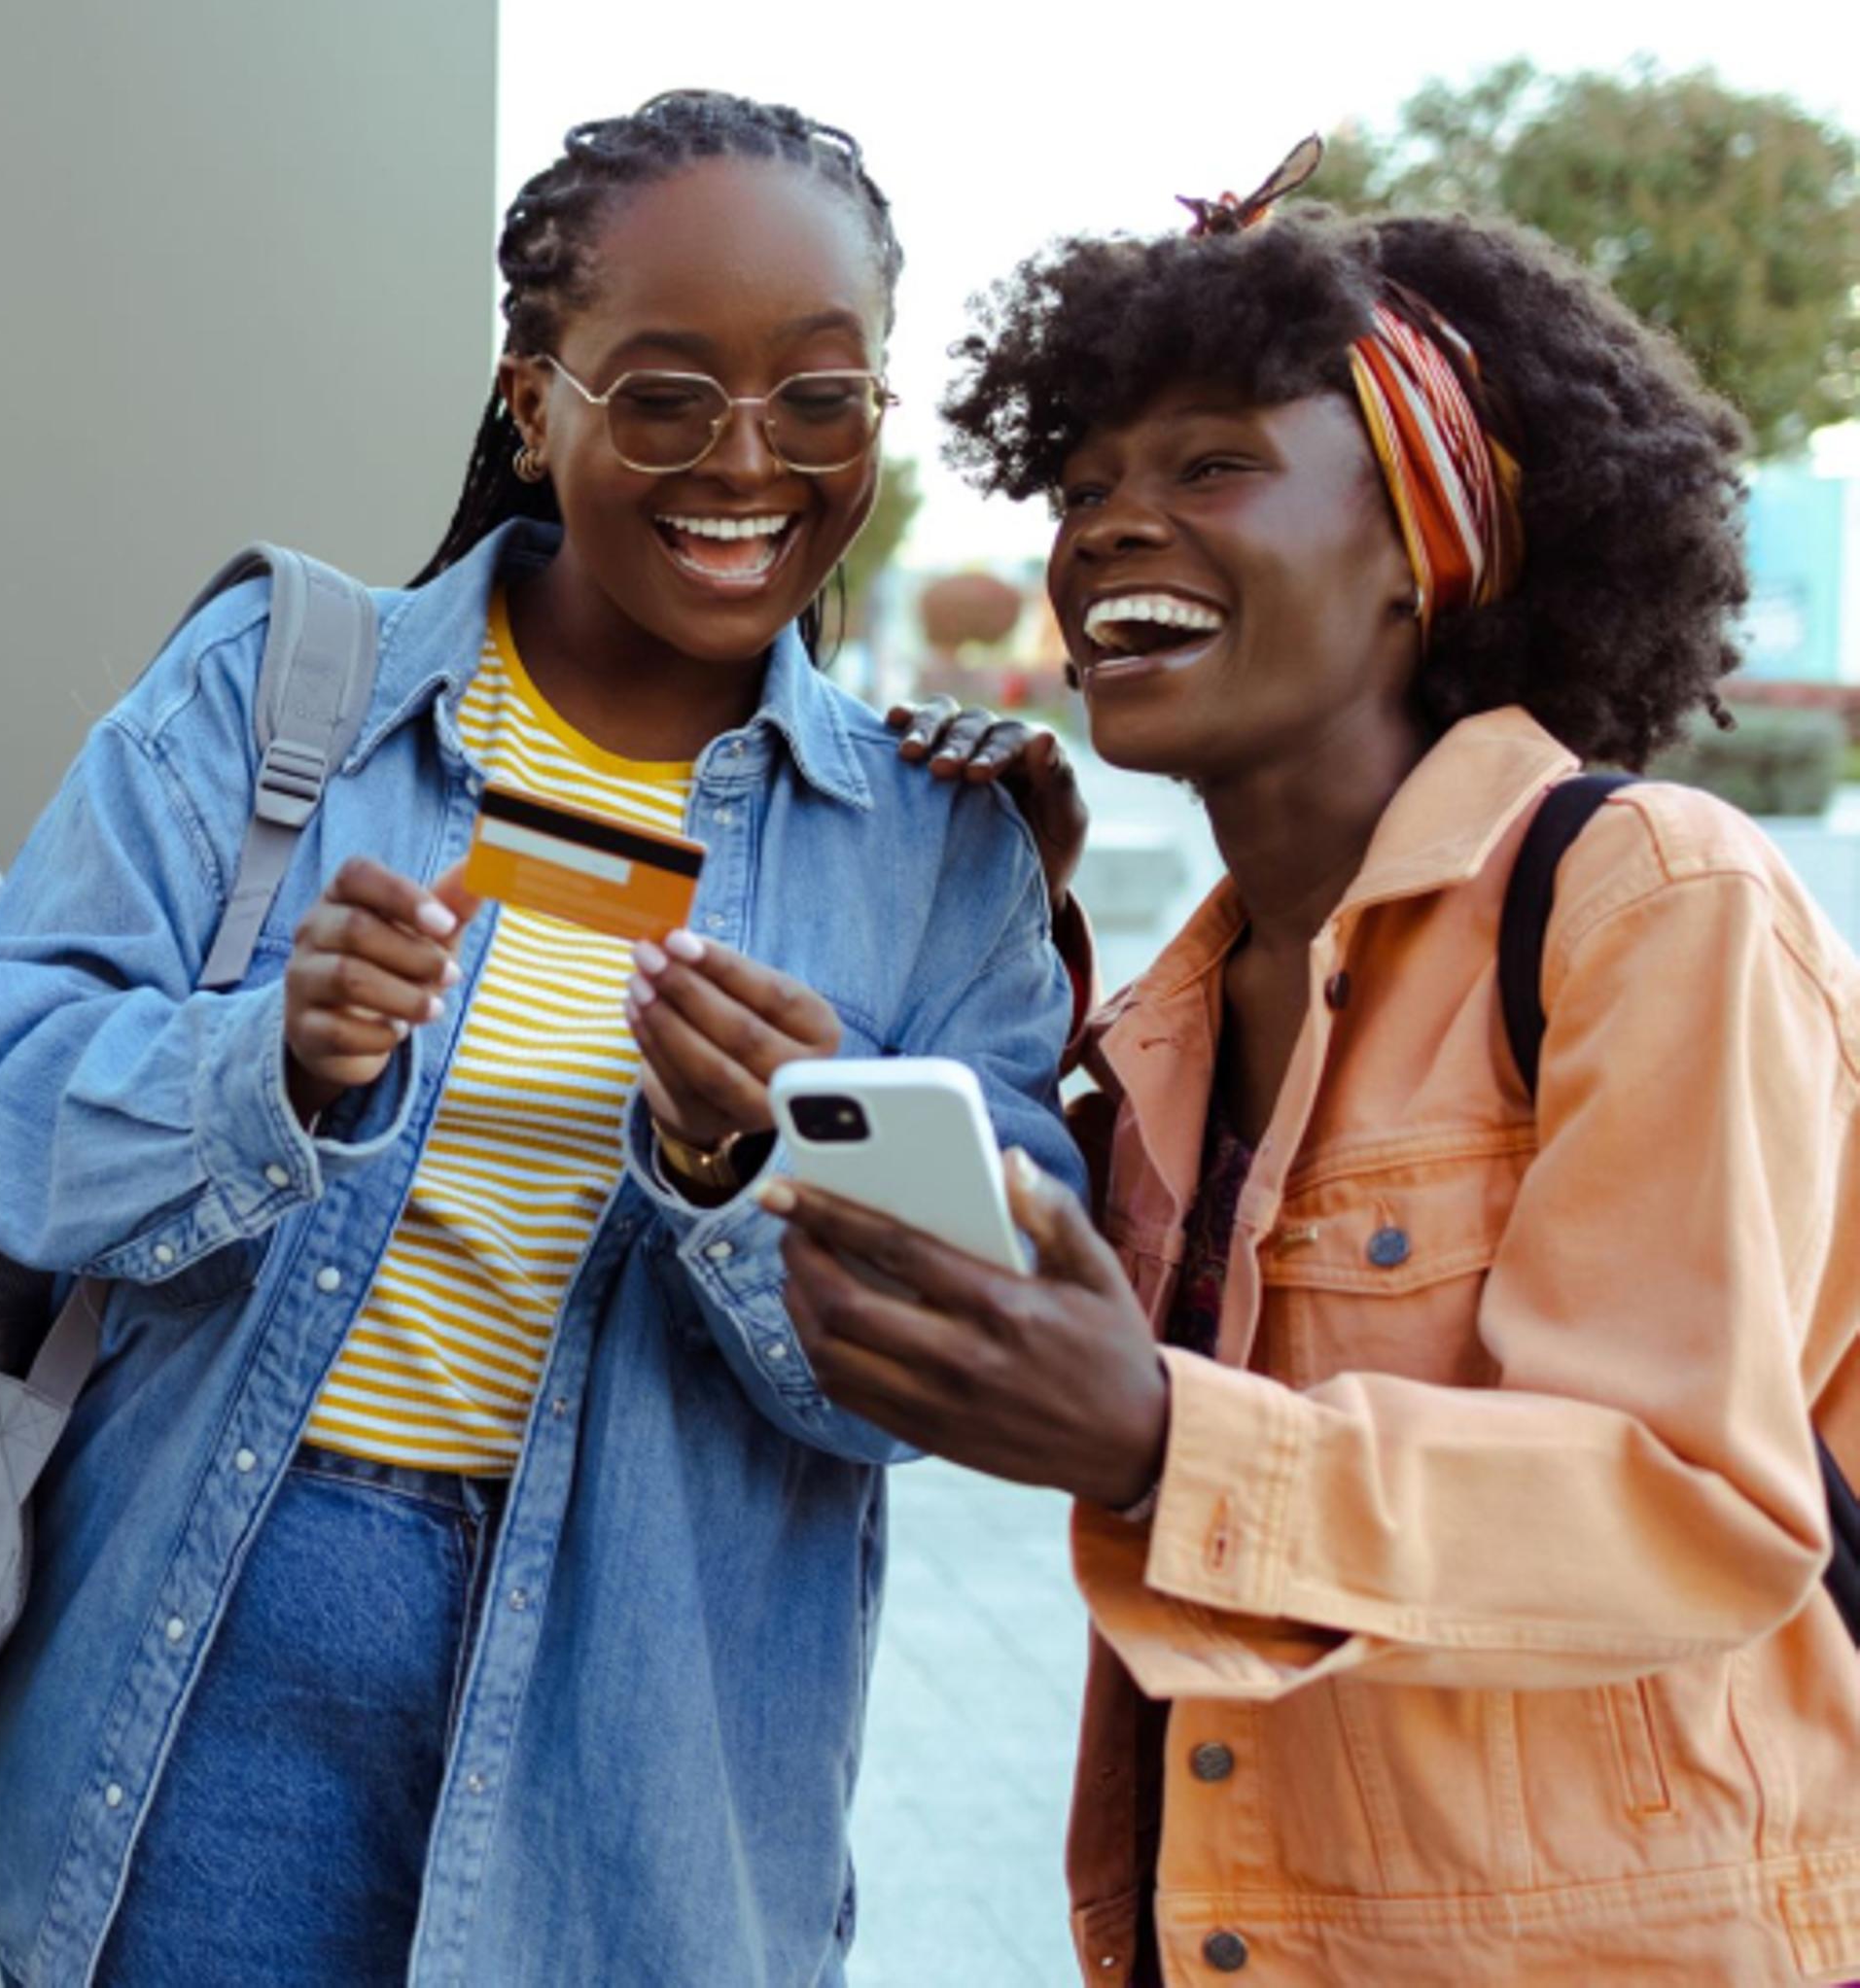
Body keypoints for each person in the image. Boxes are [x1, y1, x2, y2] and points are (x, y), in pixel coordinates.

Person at [0, 90, 1086, 1985]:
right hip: (229, 1676)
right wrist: (265, 1068)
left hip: (654, 1747)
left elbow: (970, 1355)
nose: (747, 462)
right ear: (534, 401)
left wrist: (755, 1164)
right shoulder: (285, 693)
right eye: (668, 395)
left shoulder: (939, 849)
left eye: (820, 397)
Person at [764, 145, 1860, 1984]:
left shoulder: (1648, 904)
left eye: (1212, 467)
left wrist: (1155, 1435)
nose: (1109, 523)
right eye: (1090, 480)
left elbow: (1689, 1501)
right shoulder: (1175, 1015)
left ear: (1429, 540)